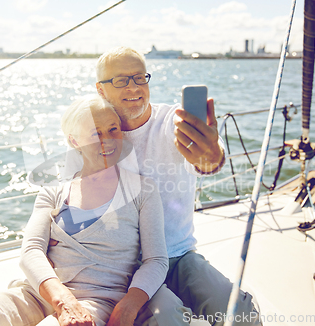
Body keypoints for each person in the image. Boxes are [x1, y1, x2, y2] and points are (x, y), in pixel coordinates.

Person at [0, 95, 189, 326]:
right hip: (41, 294)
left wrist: (128, 305)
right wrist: (63, 300)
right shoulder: (53, 190)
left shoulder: (143, 190)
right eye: (96, 133)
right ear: (74, 141)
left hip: (98, 300)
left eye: (113, 129)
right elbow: (31, 251)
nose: (108, 140)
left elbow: (155, 260)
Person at [92, 46, 260, 325]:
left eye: (139, 77)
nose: (134, 87)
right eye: (121, 80)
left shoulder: (174, 121)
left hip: (179, 255)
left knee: (238, 312)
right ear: (101, 89)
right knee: (167, 318)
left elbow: (209, 159)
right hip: (126, 265)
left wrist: (211, 157)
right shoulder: (96, 132)